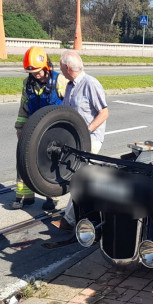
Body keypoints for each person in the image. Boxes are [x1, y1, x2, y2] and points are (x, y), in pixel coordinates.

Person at [58, 50, 109, 228]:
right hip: (75, 140)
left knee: (80, 176)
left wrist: (86, 131)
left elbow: (104, 113)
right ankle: (89, 211)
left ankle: (69, 220)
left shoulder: (90, 84)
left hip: (90, 139)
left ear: (66, 67)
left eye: (60, 65)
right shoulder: (70, 86)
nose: (59, 69)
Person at [12, 46, 67, 210]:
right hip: (32, 129)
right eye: (32, 72)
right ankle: (24, 196)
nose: (35, 75)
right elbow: (24, 107)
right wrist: (20, 127)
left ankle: (52, 197)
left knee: (50, 163)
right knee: (23, 161)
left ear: (47, 66)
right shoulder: (27, 84)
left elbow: (70, 106)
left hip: (53, 130)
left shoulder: (60, 81)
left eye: (38, 71)